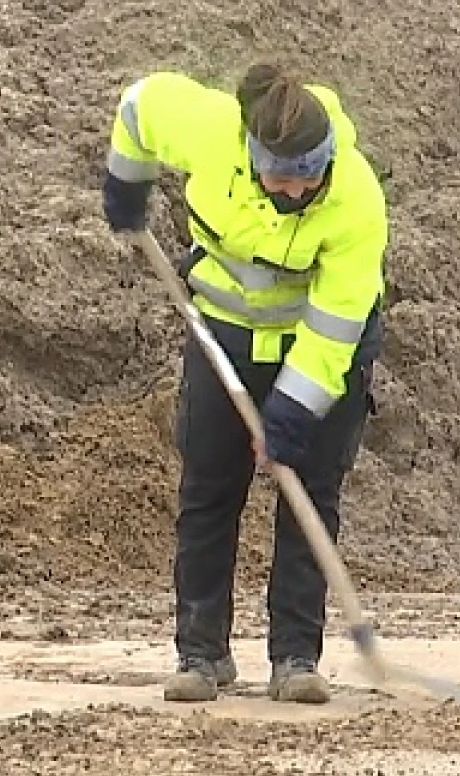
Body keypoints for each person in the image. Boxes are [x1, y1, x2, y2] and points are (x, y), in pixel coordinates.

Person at [101, 61, 388, 706]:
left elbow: (336, 326)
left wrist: (292, 411)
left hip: (319, 350)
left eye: (307, 175)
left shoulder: (357, 202)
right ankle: (201, 654)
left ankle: (295, 657)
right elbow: (140, 108)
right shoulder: (211, 133)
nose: (292, 190)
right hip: (223, 333)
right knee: (208, 489)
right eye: (280, 175)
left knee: (307, 493)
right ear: (253, 153)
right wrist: (127, 183)